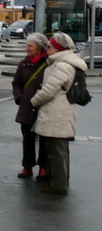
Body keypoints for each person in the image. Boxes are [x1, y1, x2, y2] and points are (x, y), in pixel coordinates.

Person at [30, 32, 87, 196]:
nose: (48, 49)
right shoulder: (66, 62)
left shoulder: (62, 65)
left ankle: (59, 184)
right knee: (58, 150)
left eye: (51, 47)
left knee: (56, 151)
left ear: (58, 49)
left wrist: (34, 101)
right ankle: (57, 179)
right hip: (62, 111)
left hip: (56, 113)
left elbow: (49, 90)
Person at [12, 32, 50, 180]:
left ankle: (43, 167)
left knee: (44, 139)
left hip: (44, 106)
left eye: (30, 46)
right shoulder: (24, 63)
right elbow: (17, 83)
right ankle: (27, 166)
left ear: (39, 47)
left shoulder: (49, 63)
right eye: (26, 45)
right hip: (27, 107)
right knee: (28, 139)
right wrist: (19, 98)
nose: (27, 48)